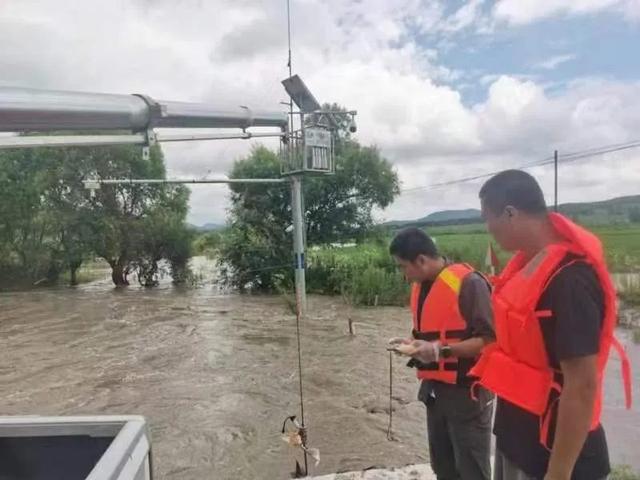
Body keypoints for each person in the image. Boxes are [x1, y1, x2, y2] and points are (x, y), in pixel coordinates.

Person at [470, 170, 632, 480]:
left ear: (510, 213)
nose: (488, 227)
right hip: (517, 442)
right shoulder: (527, 266)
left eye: (488, 218)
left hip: (553, 458)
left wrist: (558, 473)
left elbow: (582, 385)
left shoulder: (570, 280)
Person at [389, 228, 495, 480]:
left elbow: (489, 340)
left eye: (404, 267)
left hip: (467, 395)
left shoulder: (470, 284)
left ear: (421, 260)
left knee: (472, 471)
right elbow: (432, 334)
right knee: (443, 469)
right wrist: (412, 345)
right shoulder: (421, 287)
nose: (404, 275)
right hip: (435, 394)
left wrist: (440, 351)